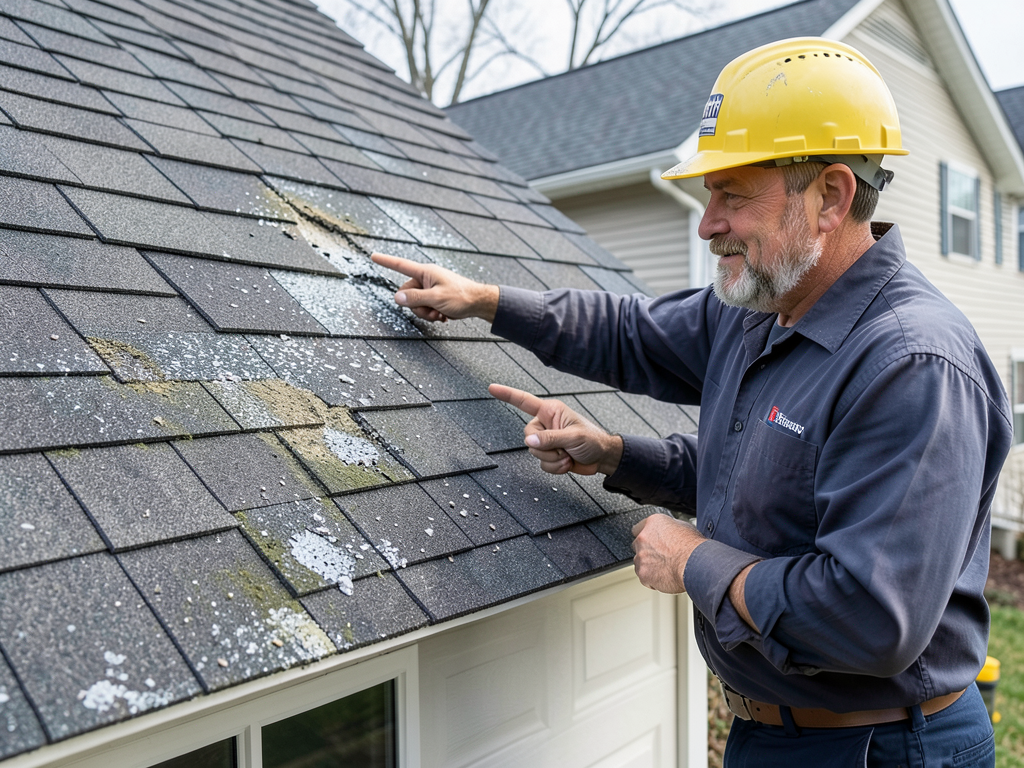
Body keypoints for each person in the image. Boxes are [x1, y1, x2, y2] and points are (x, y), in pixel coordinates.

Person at [372, 37, 1012, 767]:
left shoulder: (910, 365)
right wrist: (488, 306)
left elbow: (867, 617)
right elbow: (632, 335)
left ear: (830, 196)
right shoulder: (760, 309)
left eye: (732, 195)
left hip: (880, 747)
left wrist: (694, 561)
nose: (708, 223)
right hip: (775, 736)